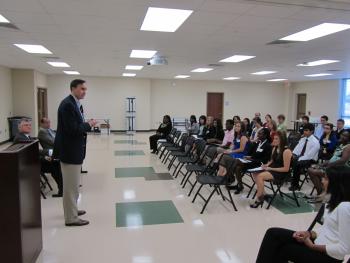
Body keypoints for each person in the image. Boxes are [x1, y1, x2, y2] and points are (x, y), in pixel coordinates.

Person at [256, 165, 350, 263]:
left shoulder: (345, 207)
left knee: (284, 249)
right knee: (273, 233)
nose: (322, 181)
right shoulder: (332, 200)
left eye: (326, 178)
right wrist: (309, 234)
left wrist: (313, 247)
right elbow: (328, 228)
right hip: (318, 243)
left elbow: (345, 248)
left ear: (337, 183)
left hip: (329, 256)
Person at [54, 79, 97, 227]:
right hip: (70, 151)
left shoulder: (75, 104)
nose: (84, 91)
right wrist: (89, 125)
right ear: (73, 88)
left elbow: (76, 126)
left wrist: (86, 124)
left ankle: (73, 210)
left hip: (74, 150)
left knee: (73, 185)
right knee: (70, 187)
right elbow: (73, 130)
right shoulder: (67, 105)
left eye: (85, 89)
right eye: (81, 89)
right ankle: (71, 218)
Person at [250, 131, 293, 208]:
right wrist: (266, 165)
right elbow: (272, 160)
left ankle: (259, 198)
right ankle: (264, 194)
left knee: (260, 176)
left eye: (276, 139)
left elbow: (286, 169)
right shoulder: (275, 148)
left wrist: (270, 168)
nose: (274, 140)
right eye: (274, 138)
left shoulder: (287, 151)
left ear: (282, 140)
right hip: (273, 169)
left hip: (281, 173)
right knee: (255, 172)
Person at [307, 131, 350, 203]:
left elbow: (343, 160)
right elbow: (332, 159)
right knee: (311, 169)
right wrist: (320, 165)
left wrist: (329, 165)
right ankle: (322, 194)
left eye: (345, 136)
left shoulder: (348, 147)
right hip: (333, 166)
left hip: (340, 169)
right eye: (342, 135)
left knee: (313, 171)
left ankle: (321, 194)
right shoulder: (341, 145)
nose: (342, 137)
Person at [230, 128, 272, 194]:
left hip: (259, 164)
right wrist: (249, 157)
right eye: (258, 133)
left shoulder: (268, 145)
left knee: (236, 161)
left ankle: (230, 177)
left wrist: (252, 159)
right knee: (237, 168)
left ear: (265, 135)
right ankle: (240, 186)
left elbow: (265, 159)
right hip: (252, 162)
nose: (258, 135)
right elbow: (252, 153)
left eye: (260, 133)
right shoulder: (258, 143)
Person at [289, 123, 320, 191]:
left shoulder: (315, 142)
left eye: (306, 130)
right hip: (302, 157)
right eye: (304, 130)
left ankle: (295, 184)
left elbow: (309, 155)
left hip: (311, 160)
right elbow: (298, 148)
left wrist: (298, 159)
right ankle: (287, 177)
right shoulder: (303, 139)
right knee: (288, 159)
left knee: (297, 164)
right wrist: (293, 155)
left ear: (311, 131)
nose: (304, 132)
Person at [38, 117, 63, 197]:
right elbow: (53, 142)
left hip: (55, 151)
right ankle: (63, 188)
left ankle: (66, 185)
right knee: (58, 165)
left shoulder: (49, 130)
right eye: (47, 123)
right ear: (42, 124)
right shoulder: (42, 132)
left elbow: (57, 138)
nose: (49, 124)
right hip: (51, 152)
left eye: (49, 122)